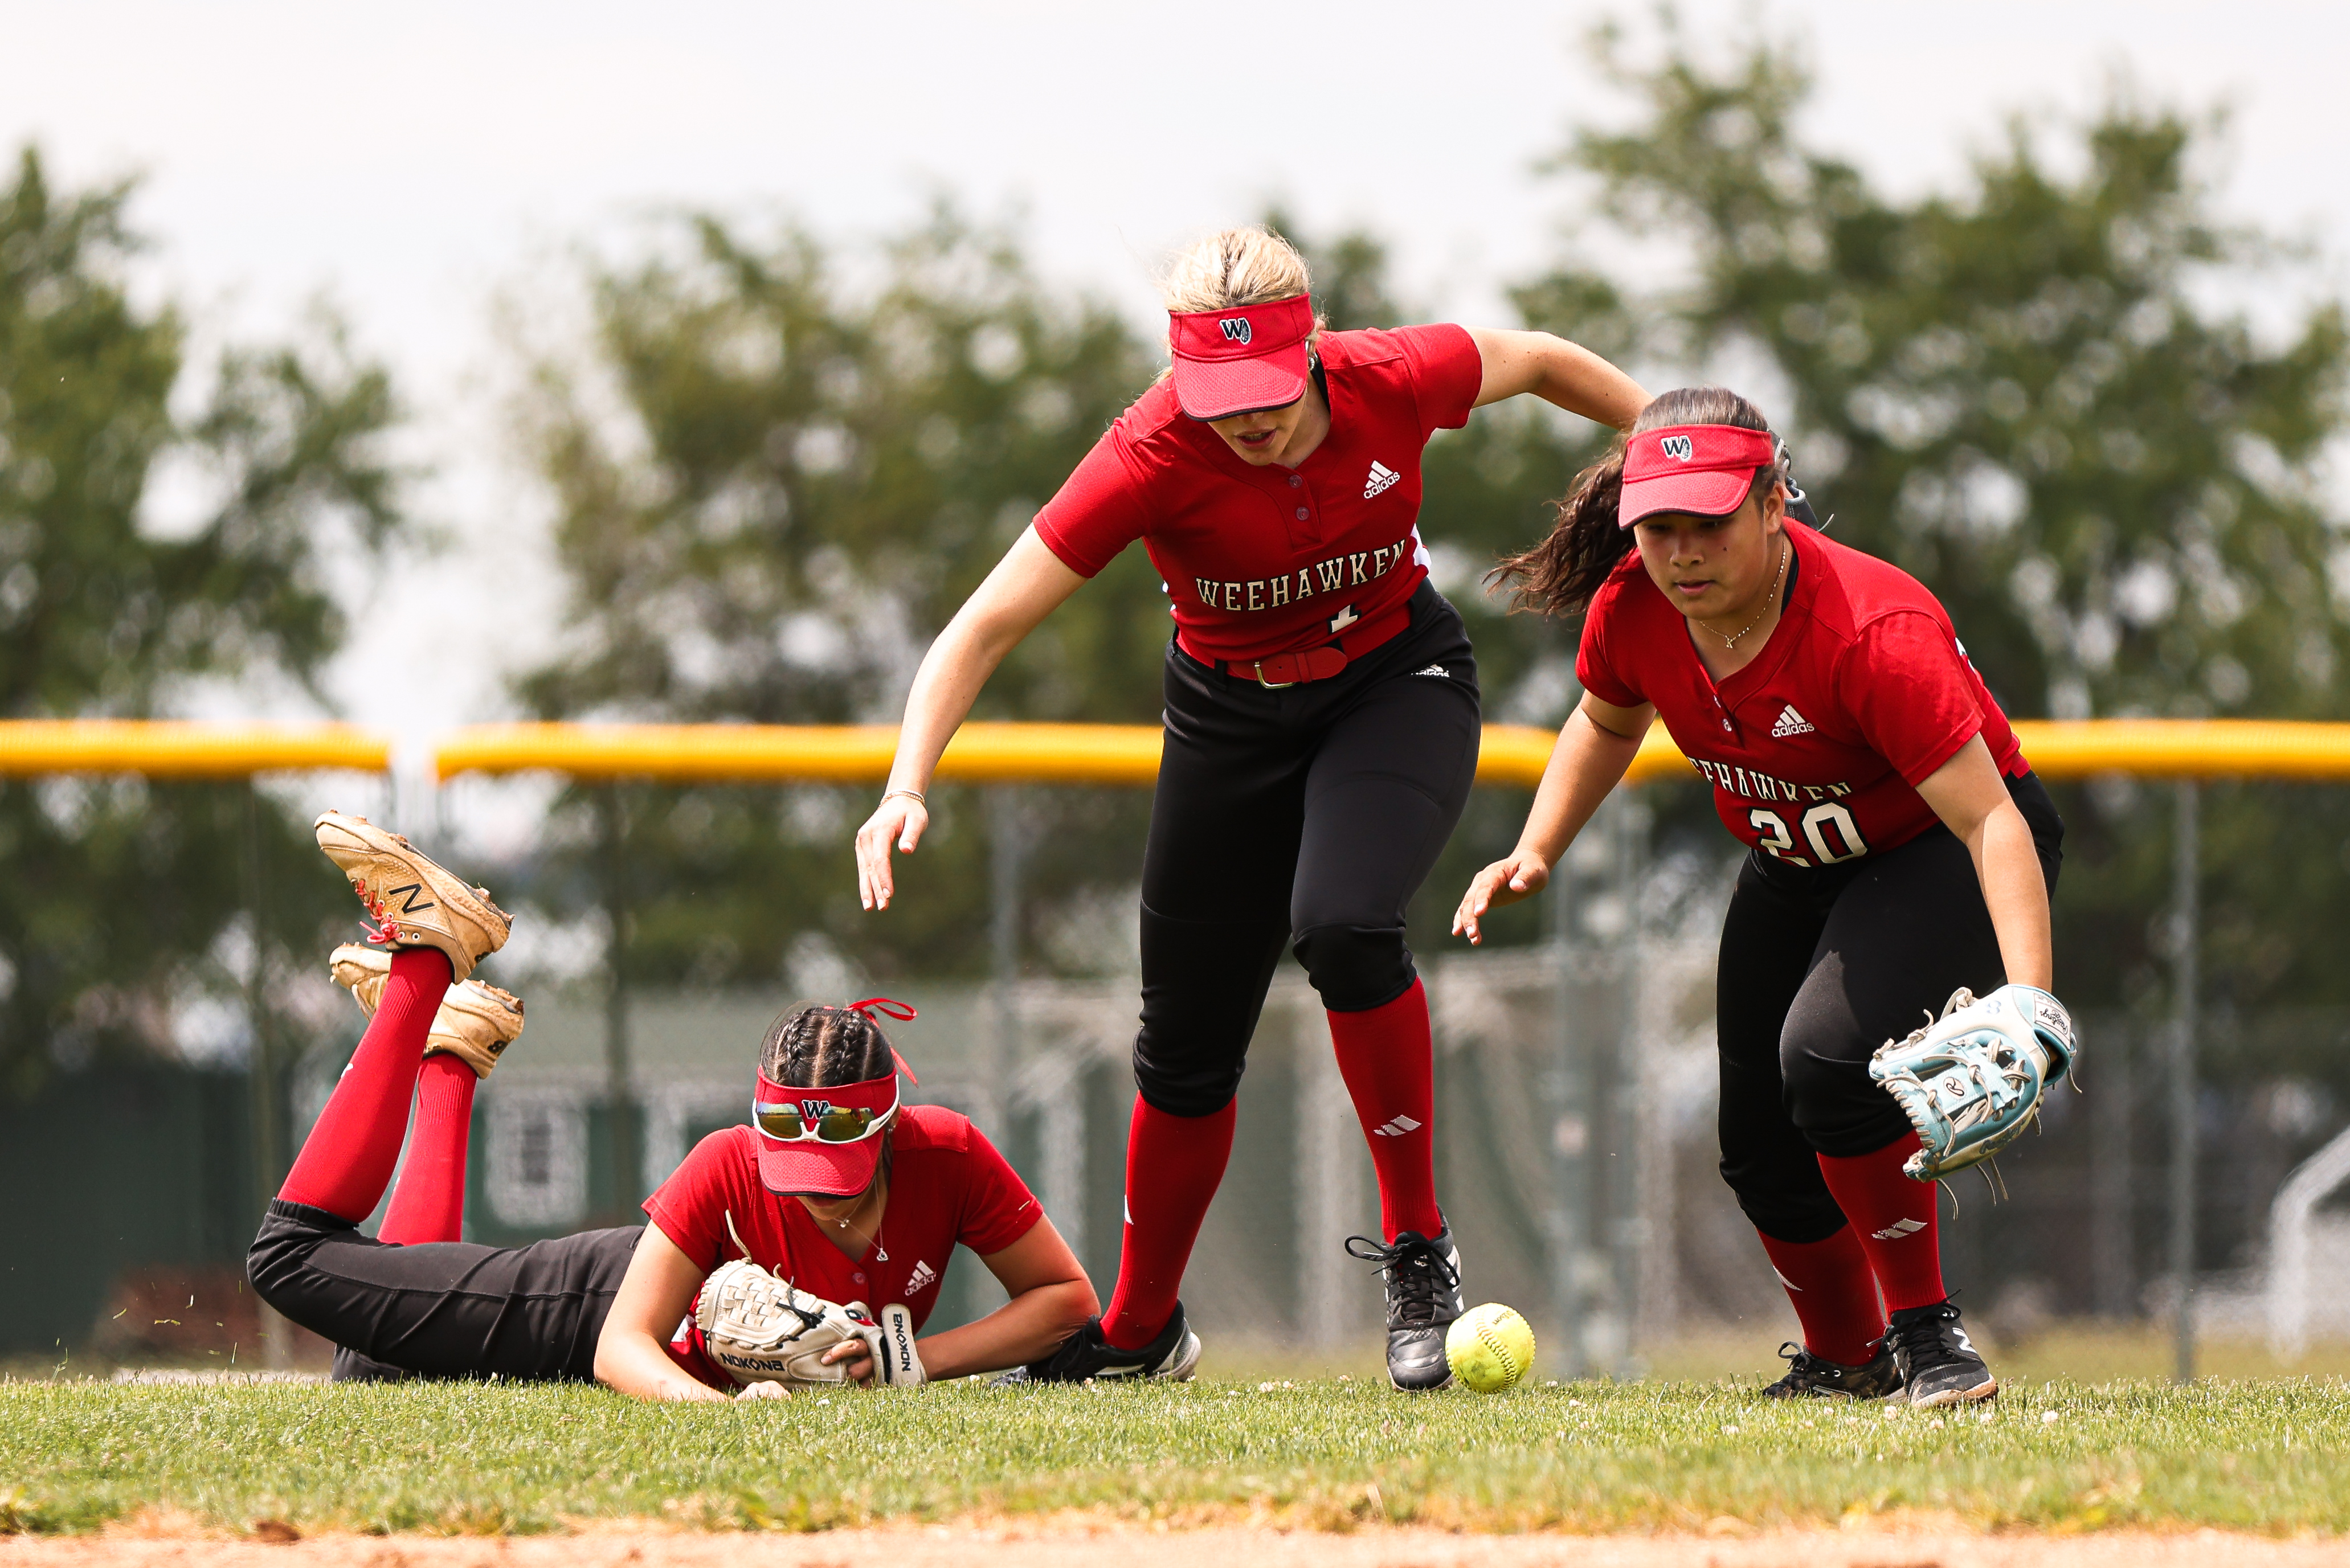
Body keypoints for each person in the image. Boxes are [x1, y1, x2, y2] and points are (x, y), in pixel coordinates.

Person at [853, 226, 1648, 1389]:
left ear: (1313, 346)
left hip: (1393, 687)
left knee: (1342, 923)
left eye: (1267, 390)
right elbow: (981, 626)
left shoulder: (1391, 374)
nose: (1249, 419)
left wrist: (1667, 442)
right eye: (1219, 396)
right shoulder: (1145, 452)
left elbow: (1531, 358)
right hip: (1227, 727)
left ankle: (1420, 1257)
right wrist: (903, 783)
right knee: (1181, 1050)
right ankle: (1137, 1334)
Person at [1453, 387, 2064, 1407]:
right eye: (1658, 527)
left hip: (1938, 849)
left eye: (1710, 523)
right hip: (1794, 861)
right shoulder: (1635, 607)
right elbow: (1606, 723)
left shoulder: (1873, 629)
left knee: (1823, 1063)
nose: (1682, 552)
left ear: (1775, 503)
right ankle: (1846, 1356)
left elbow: (1994, 824)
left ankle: (1929, 1340)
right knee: (1755, 1144)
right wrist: (1537, 847)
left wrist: (2029, 1001)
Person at [248, 811, 1096, 1394]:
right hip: (578, 1309)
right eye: (793, 1153)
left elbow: (1066, 1301)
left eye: (839, 1153)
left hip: (629, 1325)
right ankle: (430, 967)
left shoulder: (944, 1155)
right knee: (285, 1259)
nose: (812, 1181)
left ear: (888, 1124)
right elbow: (622, 1347)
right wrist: (725, 1415)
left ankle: (448, 1059)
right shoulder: (728, 1159)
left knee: (374, 1373)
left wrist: (910, 1360)